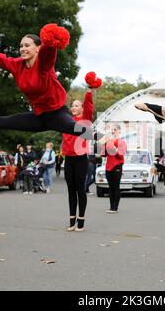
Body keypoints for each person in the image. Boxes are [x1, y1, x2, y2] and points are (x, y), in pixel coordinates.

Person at [62, 88, 95, 231]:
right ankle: (71, 221)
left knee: (80, 190)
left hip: (81, 159)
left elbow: (89, 107)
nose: (74, 107)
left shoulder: (84, 121)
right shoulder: (65, 120)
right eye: (72, 105)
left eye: (77, 105)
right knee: (71, 190)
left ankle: (81, 221)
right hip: (68, 159)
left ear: (81, 108)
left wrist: (88, 92)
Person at [100, 124, 127, 214]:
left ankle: (115, 208)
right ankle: (111, 207)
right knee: (110, 187)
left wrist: (113, 147)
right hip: (108, 166)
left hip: (117, 166)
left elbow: (121, 154)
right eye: (112, 130)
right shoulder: (109, 141)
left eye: (114, 129)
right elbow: (103, 154)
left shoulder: (121, 142)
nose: (112, 131)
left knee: (116, 186)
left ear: (119, 131)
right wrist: (104, 145)